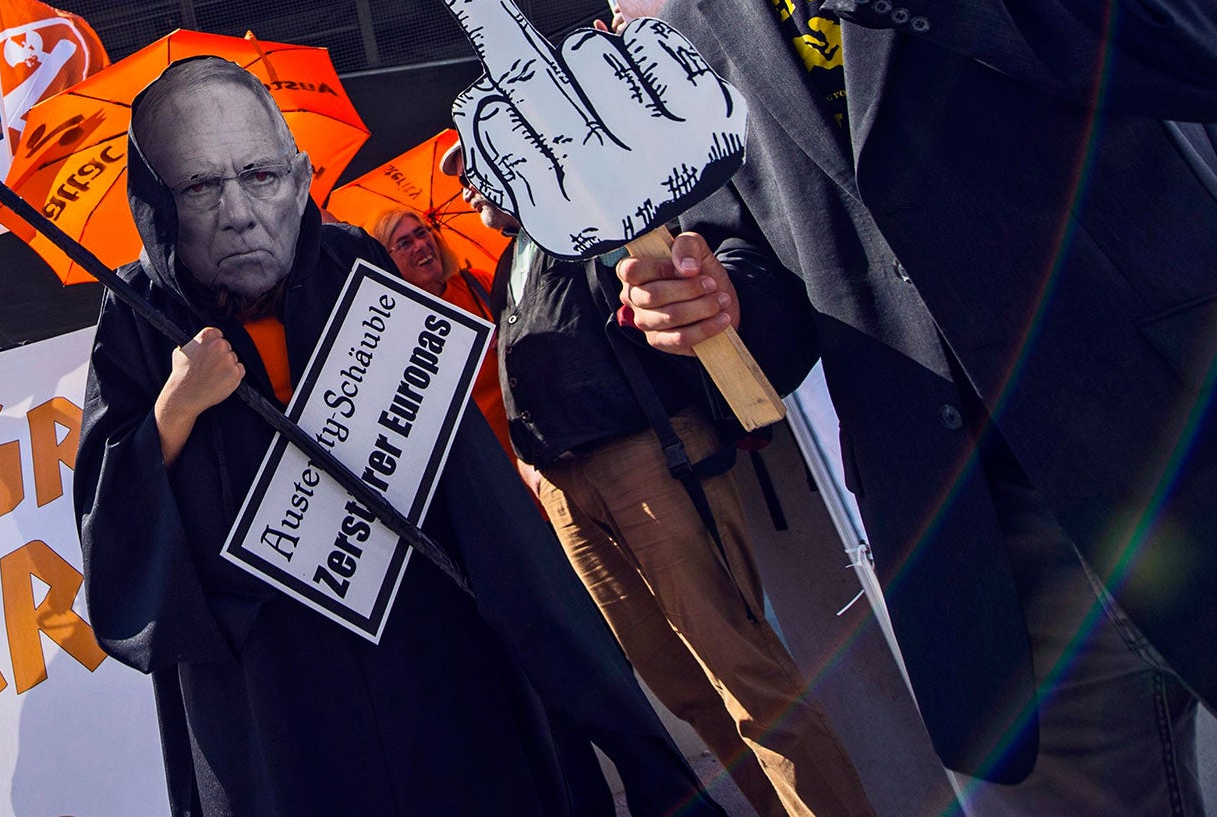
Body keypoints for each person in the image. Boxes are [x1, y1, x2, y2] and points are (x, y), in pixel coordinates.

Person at [497, 0, 1217, 812]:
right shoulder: (681, 53)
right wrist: (710, 303)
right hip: (995, 588)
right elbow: (784, 308)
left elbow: (1196, 41)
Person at [74, 55, 722, 817]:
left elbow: (469, 482)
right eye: (198, 188)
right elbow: (112, 527)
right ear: (155, 205)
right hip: (276, 684)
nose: (239, 213)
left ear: (300, 173)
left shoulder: (354, 261)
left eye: (258, 175)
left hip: (426, 637)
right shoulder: (135, 315)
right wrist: (174, 409)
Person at [443, 140, 876, 817]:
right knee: (685, 689)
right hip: (569, 487)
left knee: (746, 677)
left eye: (474, 169)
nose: (466, 188)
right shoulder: (507, 267)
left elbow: (657, 290)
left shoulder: (590, 219)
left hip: (647, 459)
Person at [369, 208, 512, 452]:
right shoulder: (395, 332)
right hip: (482, 463)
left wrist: (510, 339)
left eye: (422, 233)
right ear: (386, 260)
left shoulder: (476, 283)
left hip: (534, 444)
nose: (420, 245)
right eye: (404, 243)